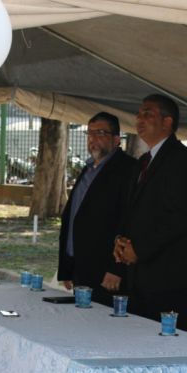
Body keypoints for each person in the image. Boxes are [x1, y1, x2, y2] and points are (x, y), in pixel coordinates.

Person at [114, 94, 187, 331]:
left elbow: (180, 217)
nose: (139, 119)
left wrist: (140, 249)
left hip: (169, 276)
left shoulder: (181, 159)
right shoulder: (144, 161)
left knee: (163, 346)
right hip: (140, 276)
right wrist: (121, 242)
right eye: (138, 114)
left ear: (167, 122)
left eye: (148, 114)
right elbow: (132, 210)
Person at [58, 112, 136, 306]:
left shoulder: (128, 170)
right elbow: (73, 218)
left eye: (100, 133)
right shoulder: (88, 169)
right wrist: (67, 267)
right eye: (89, 133)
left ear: (116, 139)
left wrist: (117, 269)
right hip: (80, 268)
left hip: (106, 273)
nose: (93, 139)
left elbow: (128, 221)